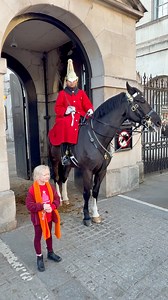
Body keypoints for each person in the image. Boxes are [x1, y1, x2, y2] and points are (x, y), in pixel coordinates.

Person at [48, 58, 94, 165]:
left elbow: (87, 104)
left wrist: (90, 110)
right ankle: (66, 154)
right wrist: (66, 110)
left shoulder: (81, 93)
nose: (72, 83)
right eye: (70, 81)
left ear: (77, 81)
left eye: (74, 81)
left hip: (81, 116)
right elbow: (57, 108)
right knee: (66, 125)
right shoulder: (62, 94)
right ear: (66, 81)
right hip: (67, 118)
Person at [26, 165, 62, 272]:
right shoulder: (32, 190)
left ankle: (50, 252)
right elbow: (29, 206)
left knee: (48, 234)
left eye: (48, 174)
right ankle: (39, 257)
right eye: (44, 174)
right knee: (38, 237)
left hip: (49, 217)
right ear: (37, 176)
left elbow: (57, 199)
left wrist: (52, 206)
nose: (47, 176)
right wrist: (42, 206)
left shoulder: (50, 186)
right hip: (38, 219)